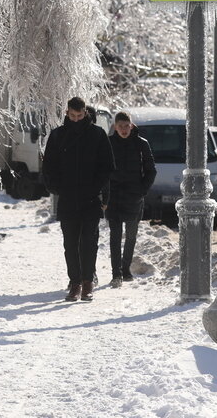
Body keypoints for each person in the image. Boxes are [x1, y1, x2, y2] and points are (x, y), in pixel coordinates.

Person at [42, 96, 114, 302]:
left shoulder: (97, 135)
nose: (75, 119)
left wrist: (98, 190)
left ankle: (87, 282)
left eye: (79, 115)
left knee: (89, 242)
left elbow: (106, 166)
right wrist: (56, 187)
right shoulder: (58, 135)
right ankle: (74, 284)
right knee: (70, 243)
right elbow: (49, 167)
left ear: (85, 113)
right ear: (66, 113)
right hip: (68, 197)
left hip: (90, 198)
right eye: (72, 115)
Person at [105, 112, 156, 287]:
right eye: (120, 126)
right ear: (115, 126)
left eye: (127, 126)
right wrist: (105, 193)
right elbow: (102, 170)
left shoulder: (141, 144)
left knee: (131, 236)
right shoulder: (109, 144)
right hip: (114, 197)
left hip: (134, 197)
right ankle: (116, 273)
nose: (124, 130)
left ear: (132, 125)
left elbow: (151, 170)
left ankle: (125, 268)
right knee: (115, 236)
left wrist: (142, 190)